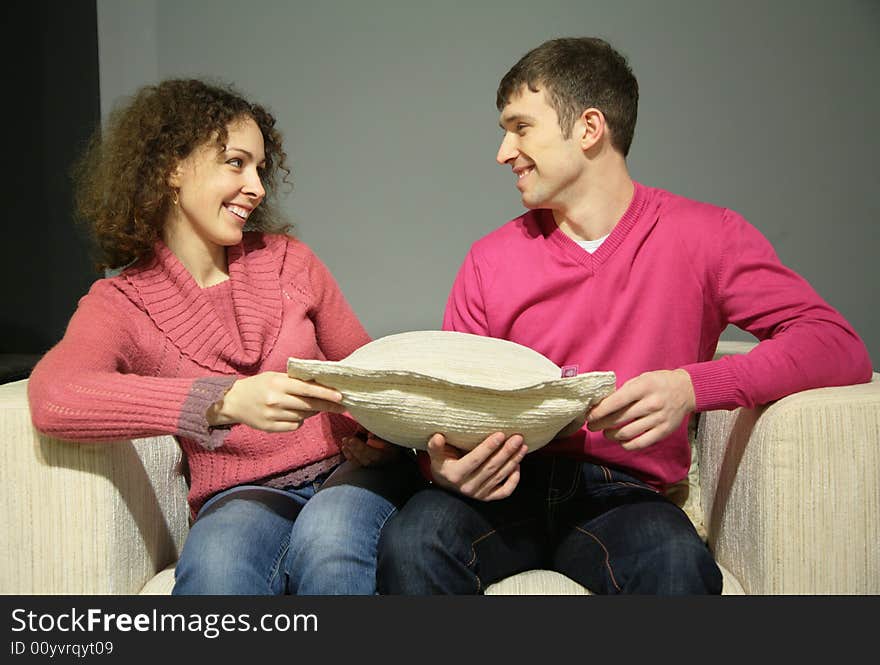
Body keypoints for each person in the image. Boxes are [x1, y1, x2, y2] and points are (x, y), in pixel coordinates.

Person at [376, 37, 873, 594]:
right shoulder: (489, 258)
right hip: (503, 487)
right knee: (411, 543)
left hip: (623, 493)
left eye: (520, 128)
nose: (503, 152)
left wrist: (691, 386)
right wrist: (439, 465)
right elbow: (449, 403)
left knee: (677, 566)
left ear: (589, 129)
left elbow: (835, 343)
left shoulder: (707, 237)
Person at [27, 78, 423, 595]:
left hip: (344, 474)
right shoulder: (122, 303)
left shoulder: (289, 262)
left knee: (329, 543)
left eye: (260, 168)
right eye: (236, 163)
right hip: (239, 495)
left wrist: (377, 436)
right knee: (215, 575)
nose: (257, 187)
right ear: (172, 167)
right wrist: (223, 401)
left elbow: (364, 373)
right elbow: (57, 395)